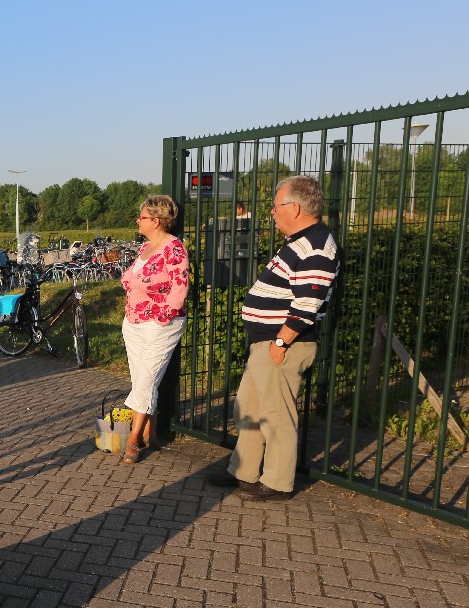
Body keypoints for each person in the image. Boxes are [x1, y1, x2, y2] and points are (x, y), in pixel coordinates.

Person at [209, 176, 339, 500]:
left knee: (277, 416)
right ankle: (243, 471)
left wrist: (280, 344)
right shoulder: (299, 241)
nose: (272, 211)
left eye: (276, 205)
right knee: (249, 410)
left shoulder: (316, 247)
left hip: (283, 345)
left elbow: (307, 304)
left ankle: (278, 482)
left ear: (294, 208)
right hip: (267, 345)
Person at [119, 195, 189, 463]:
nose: (138, 220)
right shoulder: (145, 247)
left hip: (159, 325)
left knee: (147, 379)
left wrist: (162, 317)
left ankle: (133, 438)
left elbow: (179, 288)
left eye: (143, 217)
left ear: (157, 221)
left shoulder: (174, 249)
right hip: (134, 322)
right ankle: (150, 433)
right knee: (141, 379)